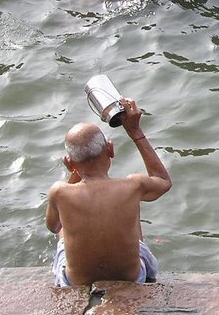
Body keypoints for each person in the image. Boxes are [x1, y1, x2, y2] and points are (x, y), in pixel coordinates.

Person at [46, 97, 171, 287]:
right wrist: (135, 131)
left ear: (70, 163)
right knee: (131, 207)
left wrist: (74, 175)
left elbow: (54, 226)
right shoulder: (133, 186)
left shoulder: (59, 193)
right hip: (132, 278)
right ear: (110, 150)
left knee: (64, 222)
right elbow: (163, 181)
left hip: (75, 282)